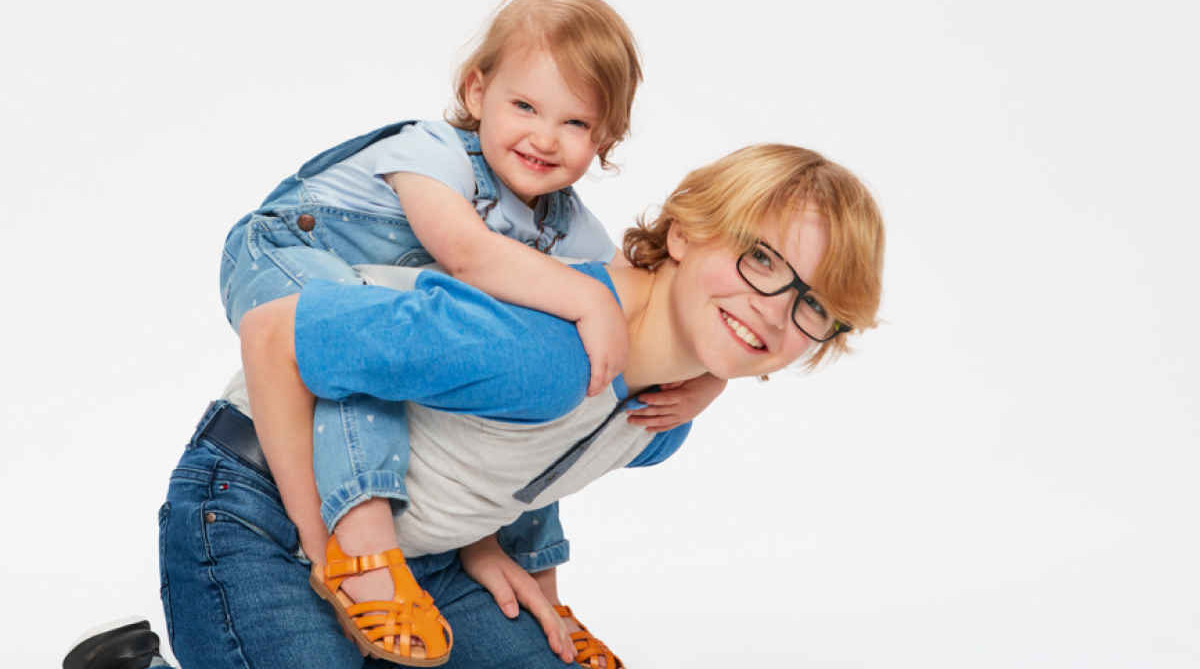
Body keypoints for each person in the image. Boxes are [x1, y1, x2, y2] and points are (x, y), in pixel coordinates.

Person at [65, 144, 885, 669]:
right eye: (761, 261)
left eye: (814, 307)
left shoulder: (660, 420)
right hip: (261, 517)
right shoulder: (542, 347)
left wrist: (491, 547)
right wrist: (328, 549)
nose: (776, 311)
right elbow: (277, 333)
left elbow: (505, 452)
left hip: (427, 549)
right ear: (684, 231)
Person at [215, 0, 726, 662]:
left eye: (576, 124)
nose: (545, 137)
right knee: (361, 365)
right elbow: (465, 252)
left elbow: (642, 300)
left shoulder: (568, 228)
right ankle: (359, 543)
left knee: (556, 393)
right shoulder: (433, 154)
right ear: (477, 90)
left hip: (386, 317)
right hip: (291, 257)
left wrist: (710, 378)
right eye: (525, 106)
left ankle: (538, 582)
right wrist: (590, 302)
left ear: (604, 139)